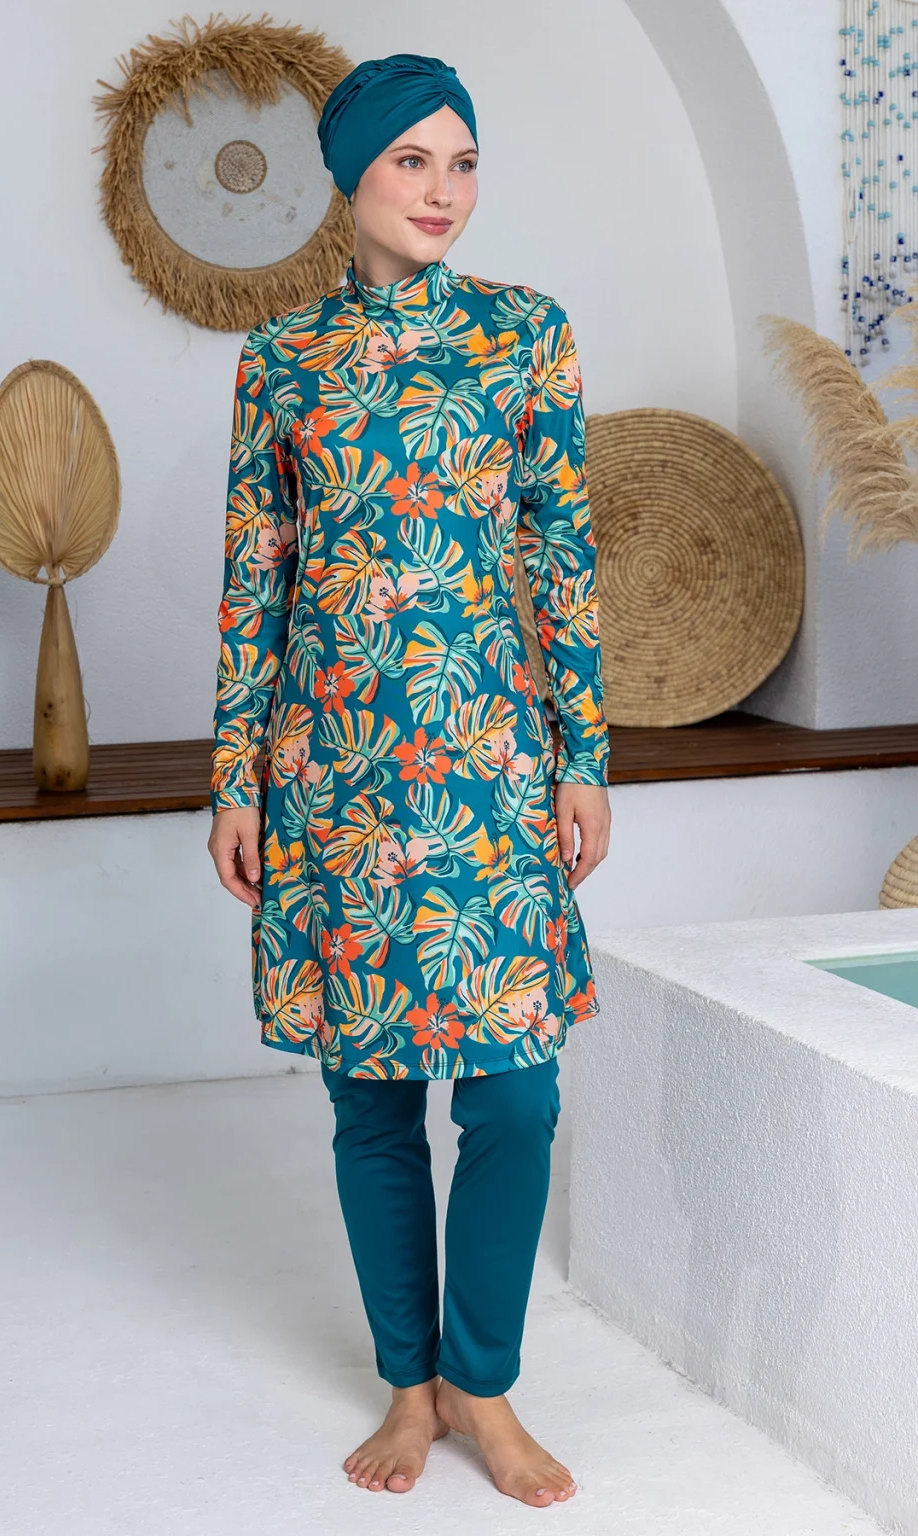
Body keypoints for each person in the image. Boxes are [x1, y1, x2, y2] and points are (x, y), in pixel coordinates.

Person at [207, 52, 611, 1509]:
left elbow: (563, 553)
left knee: (514, 1098)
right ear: (350, 175)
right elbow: (256, 579)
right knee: (373, 1098)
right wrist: (234, 778)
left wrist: (586, 753)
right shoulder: (283, 359)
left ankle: (481, 1383)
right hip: (331, 773)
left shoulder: (526, 335)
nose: (444, 192)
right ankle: (407, 1383)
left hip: (491, 764)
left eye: (464, 162)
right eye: (413, 161)